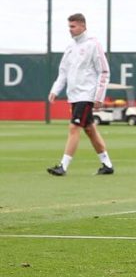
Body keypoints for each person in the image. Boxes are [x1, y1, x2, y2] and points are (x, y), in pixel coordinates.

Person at [46, 13, 114, 176]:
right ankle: (107, 164)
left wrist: (99, 96)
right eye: (69, 26)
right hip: (74, 96)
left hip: (86, 95)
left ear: (83, 26)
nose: (70, 29)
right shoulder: (70, 47)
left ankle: (63, 166)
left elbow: (104, 71)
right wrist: (55, 90)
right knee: (90, 129)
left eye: (73, 26)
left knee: (74, 127)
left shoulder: (93, 44)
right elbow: (63, 72)